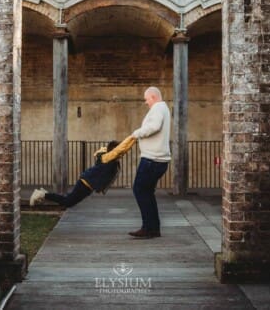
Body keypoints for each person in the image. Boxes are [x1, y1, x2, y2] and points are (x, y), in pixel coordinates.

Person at [30, 136, 136, 208]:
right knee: (68, 202)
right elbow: (121, 149)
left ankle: (44, 194)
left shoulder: (110, 158)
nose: (122, 155)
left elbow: (122, 150)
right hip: (85, 183)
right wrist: (135, 136)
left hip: (88, 185)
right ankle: (42, 194)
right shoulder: (108, 157)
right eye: (120, 154)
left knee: (69, 201)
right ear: (113, 151)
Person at [129, 86, 171, 239]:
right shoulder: (163, 108)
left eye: (146, 99)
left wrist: (136, 133)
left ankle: (148, 228)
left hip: (152, 159)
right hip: (157, 159)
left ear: (153, 97)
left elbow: (154, 126)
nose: (146, 102)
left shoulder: (158, 108)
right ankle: (153, 228)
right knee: (147, 192)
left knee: (139, 190)